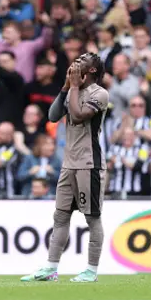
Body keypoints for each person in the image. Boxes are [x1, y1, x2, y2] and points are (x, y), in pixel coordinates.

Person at [21, 52, 109, 283]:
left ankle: (90, 270)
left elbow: (79, 116)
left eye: (82, 61)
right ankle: (51, 268)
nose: (76, 62)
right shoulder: (72, 90)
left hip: (88, 163)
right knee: (60, 217)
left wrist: (74, 87)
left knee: (92, 218)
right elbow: (52, 116)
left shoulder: (100, 94)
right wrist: (65, 87)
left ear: (91, 71)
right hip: (68, 163)